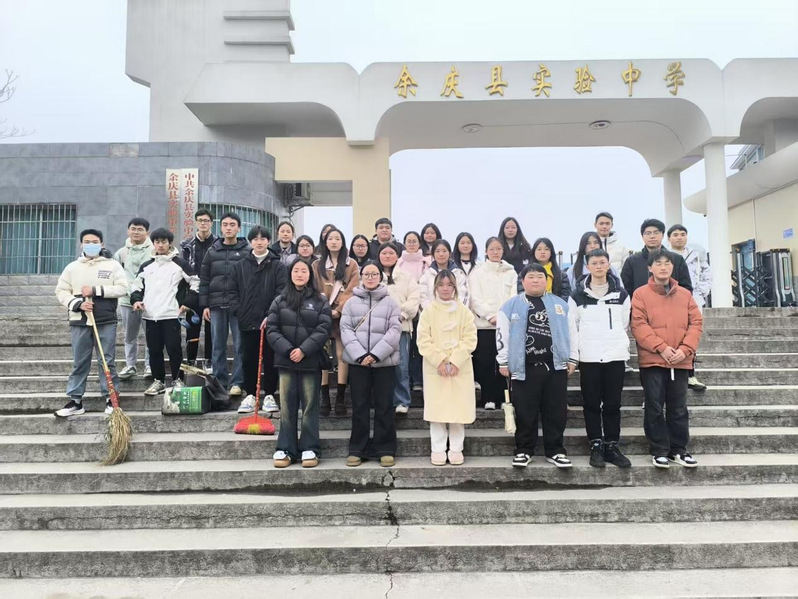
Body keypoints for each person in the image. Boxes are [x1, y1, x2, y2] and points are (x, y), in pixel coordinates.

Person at [631, 249, 703, 469]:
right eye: (658, 263)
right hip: (653, 360)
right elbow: (639, 325)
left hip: (680, 361)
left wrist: (685, 349)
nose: (663, 267)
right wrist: (661, 348)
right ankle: (659, 450)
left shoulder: (685, 295)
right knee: (654, 407)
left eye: (667, 263)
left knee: (678, 407)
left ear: (673, 267)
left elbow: (696, 323)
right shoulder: (640, 294)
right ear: (650, 268)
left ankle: (679, 449)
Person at [497, 263, 572, 469]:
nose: (536, 280)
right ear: (523, 281)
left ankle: (555, 451)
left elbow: (571, 332)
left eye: (540, 276)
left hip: (555, 366)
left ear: (547, 280)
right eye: (531, 277)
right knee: (525, 411)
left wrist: (572, 358)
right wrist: (503, 361)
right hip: (524, 368)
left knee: (555, 411)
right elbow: (502, 335)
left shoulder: (561, 305)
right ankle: (524, 450)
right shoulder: (510, 306)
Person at [567, 248, 632, 469]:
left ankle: (612, 445)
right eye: (594, 263)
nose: (598, 266)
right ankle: (595, 444)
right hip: (589, 357)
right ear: (588, 266)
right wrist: (574, 356)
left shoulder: (621, 295)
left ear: (608, 265)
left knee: (613, 403)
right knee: (591, 403)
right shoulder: (577, 296)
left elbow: (624, 324)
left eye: (602, 262)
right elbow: (573, 328)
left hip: (615, 356)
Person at [54, 229, 129, 417]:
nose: (91, 245)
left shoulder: (112, 265)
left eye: (95, 242)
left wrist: (96, 290)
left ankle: (111, 399)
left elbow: (122, 288)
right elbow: (61, 290)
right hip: (79, 320)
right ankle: (75, 401)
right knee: (79, 361)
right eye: (87, 242)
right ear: (81, 245)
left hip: (105, 319)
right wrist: (77, 304)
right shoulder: (72, 267)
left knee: (107, 360)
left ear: (102, 244)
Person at [267, 259, 332, 469]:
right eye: (296, 270)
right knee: (287, 406)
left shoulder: (320, 301)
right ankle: (286, 449)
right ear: (290, 274)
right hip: (286, 362)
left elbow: (324, 329)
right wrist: (288, 350)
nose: (300, 274)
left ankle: (309, 447)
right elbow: (272, 329)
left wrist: (304, 350)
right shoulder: (279, 300)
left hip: (310, 361)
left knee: (310, 406)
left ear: (310, 275)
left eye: (304, 271)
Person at [341, 261, 402, 467]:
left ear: (380, 277)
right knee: (360, 405)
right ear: (361, 276)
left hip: (384, 363)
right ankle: (358, 449)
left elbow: (395, 331)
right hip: (358, 363)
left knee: (384, 405)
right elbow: (345, 330)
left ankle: (385, 449)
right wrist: (360, 355)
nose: (370, 277)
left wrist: (376, 355)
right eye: (366, 274)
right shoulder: (351, 303)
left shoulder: (391, 303)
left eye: (374, 274)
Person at [417, 270, 478, 466]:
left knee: (458, 410)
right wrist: (440, 360)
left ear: (455, 287)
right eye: (441, 285)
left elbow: (470, 339)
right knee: (437, 410)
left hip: (460, 367)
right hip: (435, 368)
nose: (445, 289)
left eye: (449, 285)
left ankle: (456, 448)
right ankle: (437, 448)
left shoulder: (464, 312)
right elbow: (423, 340)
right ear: (435, 287)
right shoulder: (428, 312)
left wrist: (456, 360)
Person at [130, 228, 199, 396]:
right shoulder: (147, 266)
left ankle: (178, 380)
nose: (160, 245)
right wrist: (136, 300)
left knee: (174, 349)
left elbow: (195, 282)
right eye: (157, 242)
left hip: (171, 314)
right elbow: (136, 286)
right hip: (150, 315)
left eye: (164, 242)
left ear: (170, 243)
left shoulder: (180, 264)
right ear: (153, 243)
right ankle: (158, 381)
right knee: (154, 350)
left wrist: (187, 303)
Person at [229, 226, 287, 414]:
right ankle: (250, 394)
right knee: (249, 358)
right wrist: (239, 311)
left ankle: (269, 394)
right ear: (250, 242)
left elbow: (282, 292)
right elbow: (232, 292)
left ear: (269, 241)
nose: (259, 242)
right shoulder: (239, 266)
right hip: (247, 321)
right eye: (255, 239)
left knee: (271, 358)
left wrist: (271, 315)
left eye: (263, 239)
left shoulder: (278, 266)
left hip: (271, 322)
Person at [198, 212, 249, 395]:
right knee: (217, 346)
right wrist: (205, 305)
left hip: (239, 306)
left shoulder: (247, 251)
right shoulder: (212, 251)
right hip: (216, 305)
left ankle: (237, 382)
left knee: (240, 345)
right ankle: (219, 382)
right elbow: (204, 280)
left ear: (239, 228)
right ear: (220, 228)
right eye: (225, 224)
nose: (229, 228)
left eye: (232, 224)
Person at [312, 226, 360, 416]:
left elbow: (353, 289)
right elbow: (314, 288)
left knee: (341, 355)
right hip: (322, 315)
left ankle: (340, 398)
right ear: (325, 242)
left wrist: (339, 309)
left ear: (342, 242)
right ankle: (324, 398)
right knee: (323, 354)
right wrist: (325, 309)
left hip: (343, 315)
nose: (334, 242)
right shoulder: (317, 265)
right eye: (330, 238)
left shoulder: (351, 264)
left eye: (337, 238)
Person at [468, 237, 517, 410]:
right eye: (492, 249)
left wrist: (503, 317)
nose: (495, 252)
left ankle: (504, 397)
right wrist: (490, 316)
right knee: (486, 362)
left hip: (506, 325)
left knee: (504, 362)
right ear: (486, 251)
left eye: (499, 249)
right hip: (484, 325)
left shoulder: (511, 272)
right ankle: (488, 397)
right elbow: (475, 298)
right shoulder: (477, 273)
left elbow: (513, 296)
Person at [668, 224, 713, 392]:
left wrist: (700, 293)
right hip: (670, 300)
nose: (679, 237)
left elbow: (707, 275)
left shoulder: (696, 256)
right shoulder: (664, 256)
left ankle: (690, 374)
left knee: (691, 335)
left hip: (693, 299)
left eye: (682, 234)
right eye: (675, 234)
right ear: (669, 238)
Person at [378, 243, 421, 414]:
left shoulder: (406, 276)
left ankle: (402, 400)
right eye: (384, 253)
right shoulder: (373, 275)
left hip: (401, 327)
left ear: (397, 256)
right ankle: (383, 400)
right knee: (381, 365)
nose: (388, 256)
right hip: (378, 328)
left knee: (401, 365)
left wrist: (401, 314)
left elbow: (414, 298)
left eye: (391, 253)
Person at [114, 217, 153, 380]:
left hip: (150, 300)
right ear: (128, 230)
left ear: (147, 232)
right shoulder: (121, 253)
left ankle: (150, 366)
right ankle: (130, 365)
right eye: (133, 229)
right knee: (130, 335)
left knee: (151, 335)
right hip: (126, 301)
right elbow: (116, 276)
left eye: (140, 229)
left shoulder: (154, 251)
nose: (136, 232)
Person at [180, 209, 216, 368]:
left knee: (211, 329)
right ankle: (191, 360)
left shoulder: (218, 243)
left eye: (206, 220)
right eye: (200, 220)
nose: (203, 223)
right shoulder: (187, 245)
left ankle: (209, 360)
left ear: (211, 223)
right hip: (193, 291)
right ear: (195, 222)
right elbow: (183, 268)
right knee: (192, 328)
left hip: (212, 291)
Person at [621, 219, 693, 296]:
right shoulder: (632, 261)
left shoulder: (677, 259)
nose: (652, 236)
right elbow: (625, 290)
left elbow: (686, 289)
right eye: (648, 233)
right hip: (640, 303)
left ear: (662, 235)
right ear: (642, 236)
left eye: (656, 232)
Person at [397, 230, 430, 393]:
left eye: (414, 241)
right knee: (406, 350)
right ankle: (408, 379)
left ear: (419, 243)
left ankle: (418, 379)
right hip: (406, 311)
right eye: (408, 241)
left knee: (420, 347)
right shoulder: (399, 263)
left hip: (423, 310)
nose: (411, 244)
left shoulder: (426, 262)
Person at [418, 240, 469, 309]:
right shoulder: (426, 275)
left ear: (450, 254)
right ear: (433, 254)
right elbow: (423, 296)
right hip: (432, 313)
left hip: (455, 313)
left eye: (444, 251)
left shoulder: (458, 274)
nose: (441, 254)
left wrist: (454, 310)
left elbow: (463, 295)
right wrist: (432, 311)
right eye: (437, 251)